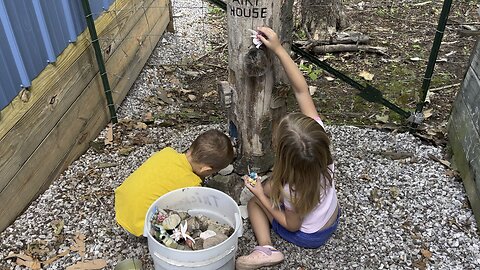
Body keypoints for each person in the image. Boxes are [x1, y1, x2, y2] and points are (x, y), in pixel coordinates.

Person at [236, 27, 340, 270]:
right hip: (331, 216)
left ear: (281, 154)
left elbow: (291, 225)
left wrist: (260, 195)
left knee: (254, 203)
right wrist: (279, 49)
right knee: (272, 185)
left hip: (309, 234)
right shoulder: (320, 148)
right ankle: (270, 198)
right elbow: (301, 90)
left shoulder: (293, 189)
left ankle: (266, 249)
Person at [114, 129, 234, 236]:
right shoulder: (191, 185)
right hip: (141, 226)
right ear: (206, 169)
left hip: (121, 206)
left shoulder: (167, 152)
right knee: (183, 230)